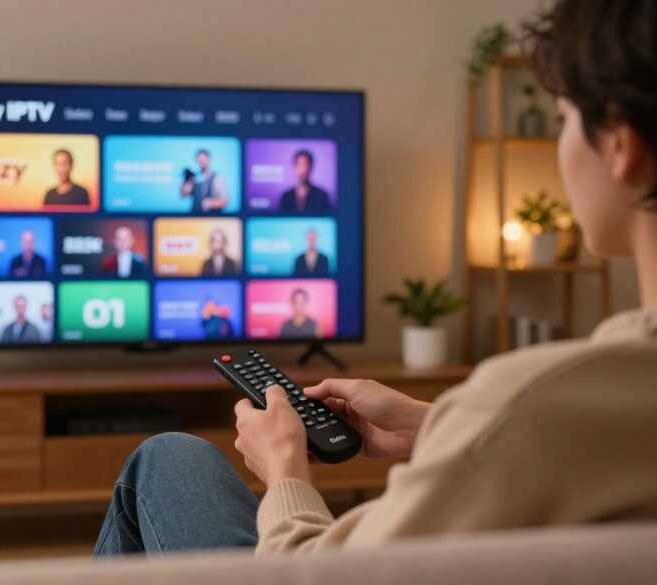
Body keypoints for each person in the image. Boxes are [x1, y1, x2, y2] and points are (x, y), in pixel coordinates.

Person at [94, 0, 657, 557]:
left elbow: (317, 575)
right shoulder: (595, 402)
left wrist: (285, 466)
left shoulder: (534, 398)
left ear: (619, 144)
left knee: (164, 459)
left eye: (562, 120)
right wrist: (437, 426)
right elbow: (583, 443)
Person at [181, 149, 229, 213]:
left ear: (208, 159)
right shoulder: (194, 178)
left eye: (203, 159)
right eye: (199, 160)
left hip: (212, 219)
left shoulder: (217, 178)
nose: (201, 162)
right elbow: (184, 194)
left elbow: (225, 201)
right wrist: (185, 180)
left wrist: (211, 203)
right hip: (195, 218)